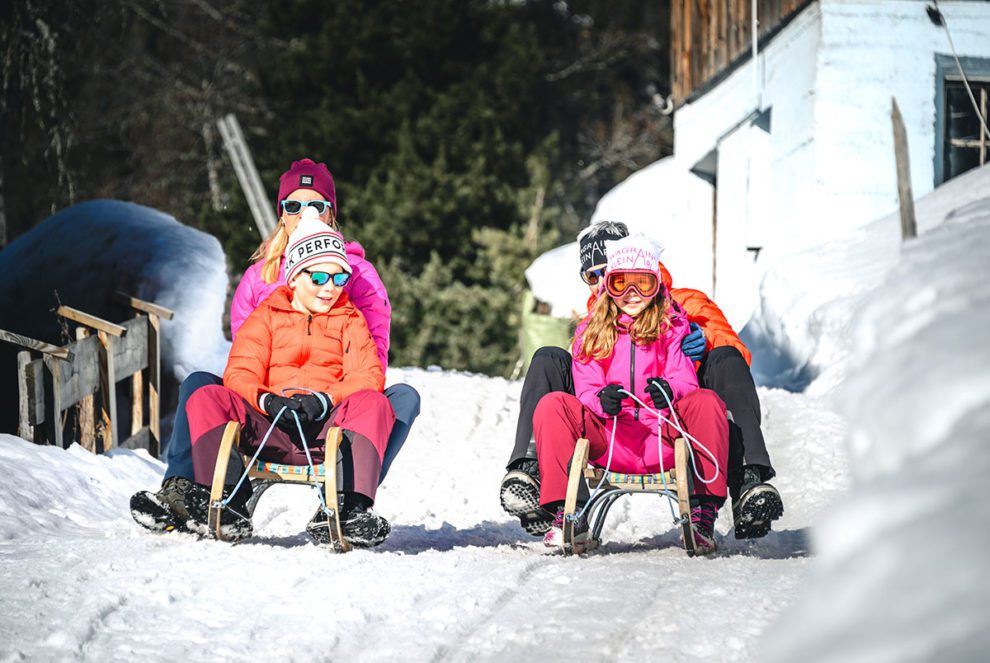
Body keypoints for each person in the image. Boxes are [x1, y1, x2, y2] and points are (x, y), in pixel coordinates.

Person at [131, 158, 420, 537]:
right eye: (294, 205)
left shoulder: (355, 291)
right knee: (202, 388)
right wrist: (267, 400)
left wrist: (326, 399)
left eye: (317, 205)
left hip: (333, 404)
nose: (329, 286)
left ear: (332, 212)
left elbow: (370, 363)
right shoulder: (261, 287)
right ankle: (194, 492)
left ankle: (347, 501)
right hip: (268, 410)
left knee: (392, 400)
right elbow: (244, 361)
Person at [500, 220, 784, 540]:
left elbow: (736, 355)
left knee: (725, 360)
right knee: (548, 359)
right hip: (613, 427)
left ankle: (748, 480)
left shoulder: (685, 303)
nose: (599, 282)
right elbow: (585, 378)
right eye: (590, 276)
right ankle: (535, 481)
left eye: (607, 272)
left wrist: (703, 339)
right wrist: (597, 397)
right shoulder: (594, 323)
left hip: (675, 417)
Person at [532, 234, 730, 554]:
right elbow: (585, 387)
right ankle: (565, 512)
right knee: (554, 404)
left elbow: (686, 382)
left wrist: (670, 390)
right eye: (621, 283)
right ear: (609, 286)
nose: (632, 294)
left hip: (662, 437)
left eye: (643, 284)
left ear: (656, 284)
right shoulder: (591, 331)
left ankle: (702, 512)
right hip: (611, 440)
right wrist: (601, 400)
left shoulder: (672, 327)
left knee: (706, 402)